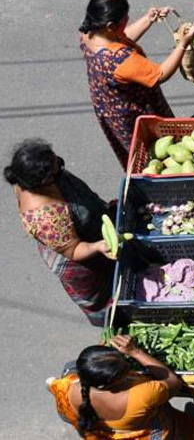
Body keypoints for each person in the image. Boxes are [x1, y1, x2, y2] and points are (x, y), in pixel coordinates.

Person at [80, 0, 194, 169]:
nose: (128, 19)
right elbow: (160, 74)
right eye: (125, 18)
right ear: (111, 25)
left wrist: (148, 19)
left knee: (131, 148)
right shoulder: (121, 60)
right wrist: (183, 44)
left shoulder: (89, 35)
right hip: (132, 110)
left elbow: (121, 37)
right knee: (154, 148)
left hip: (110, 106)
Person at [5, 139, 116, 326]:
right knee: (103, 297)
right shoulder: (45, 217)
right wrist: (97, 246)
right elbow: (73, 250)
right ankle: (114, 322)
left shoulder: (47, 172)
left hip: (88, 231)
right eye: (56, 171)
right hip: (79, 257)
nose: (60, 165)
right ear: (42, 182)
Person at [47, 336, 194, 439]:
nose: (130, 368)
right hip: (150, 432)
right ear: (108, 384)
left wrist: (103, 359)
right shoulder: (142, 394)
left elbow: (65, 415)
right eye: (125, 370)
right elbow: (173, 383)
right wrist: (136, 352)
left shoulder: (66, 385)